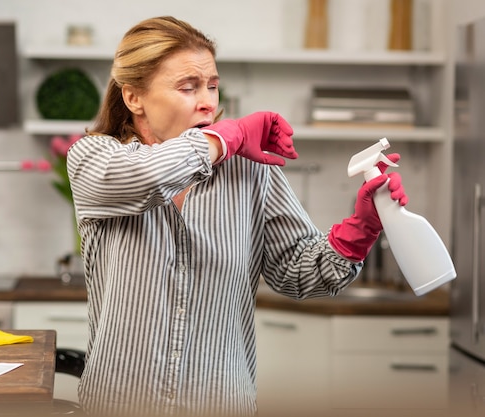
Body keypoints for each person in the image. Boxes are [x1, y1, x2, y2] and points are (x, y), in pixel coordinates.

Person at [66, 16, 408, 417]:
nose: (208, 100)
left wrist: (360, 228)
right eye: (188, 87)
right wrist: (225, 137)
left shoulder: (249, 171)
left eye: (211, 84)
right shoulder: (95, 158)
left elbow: (296, 271)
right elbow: (146, 178)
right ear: (133, 97)